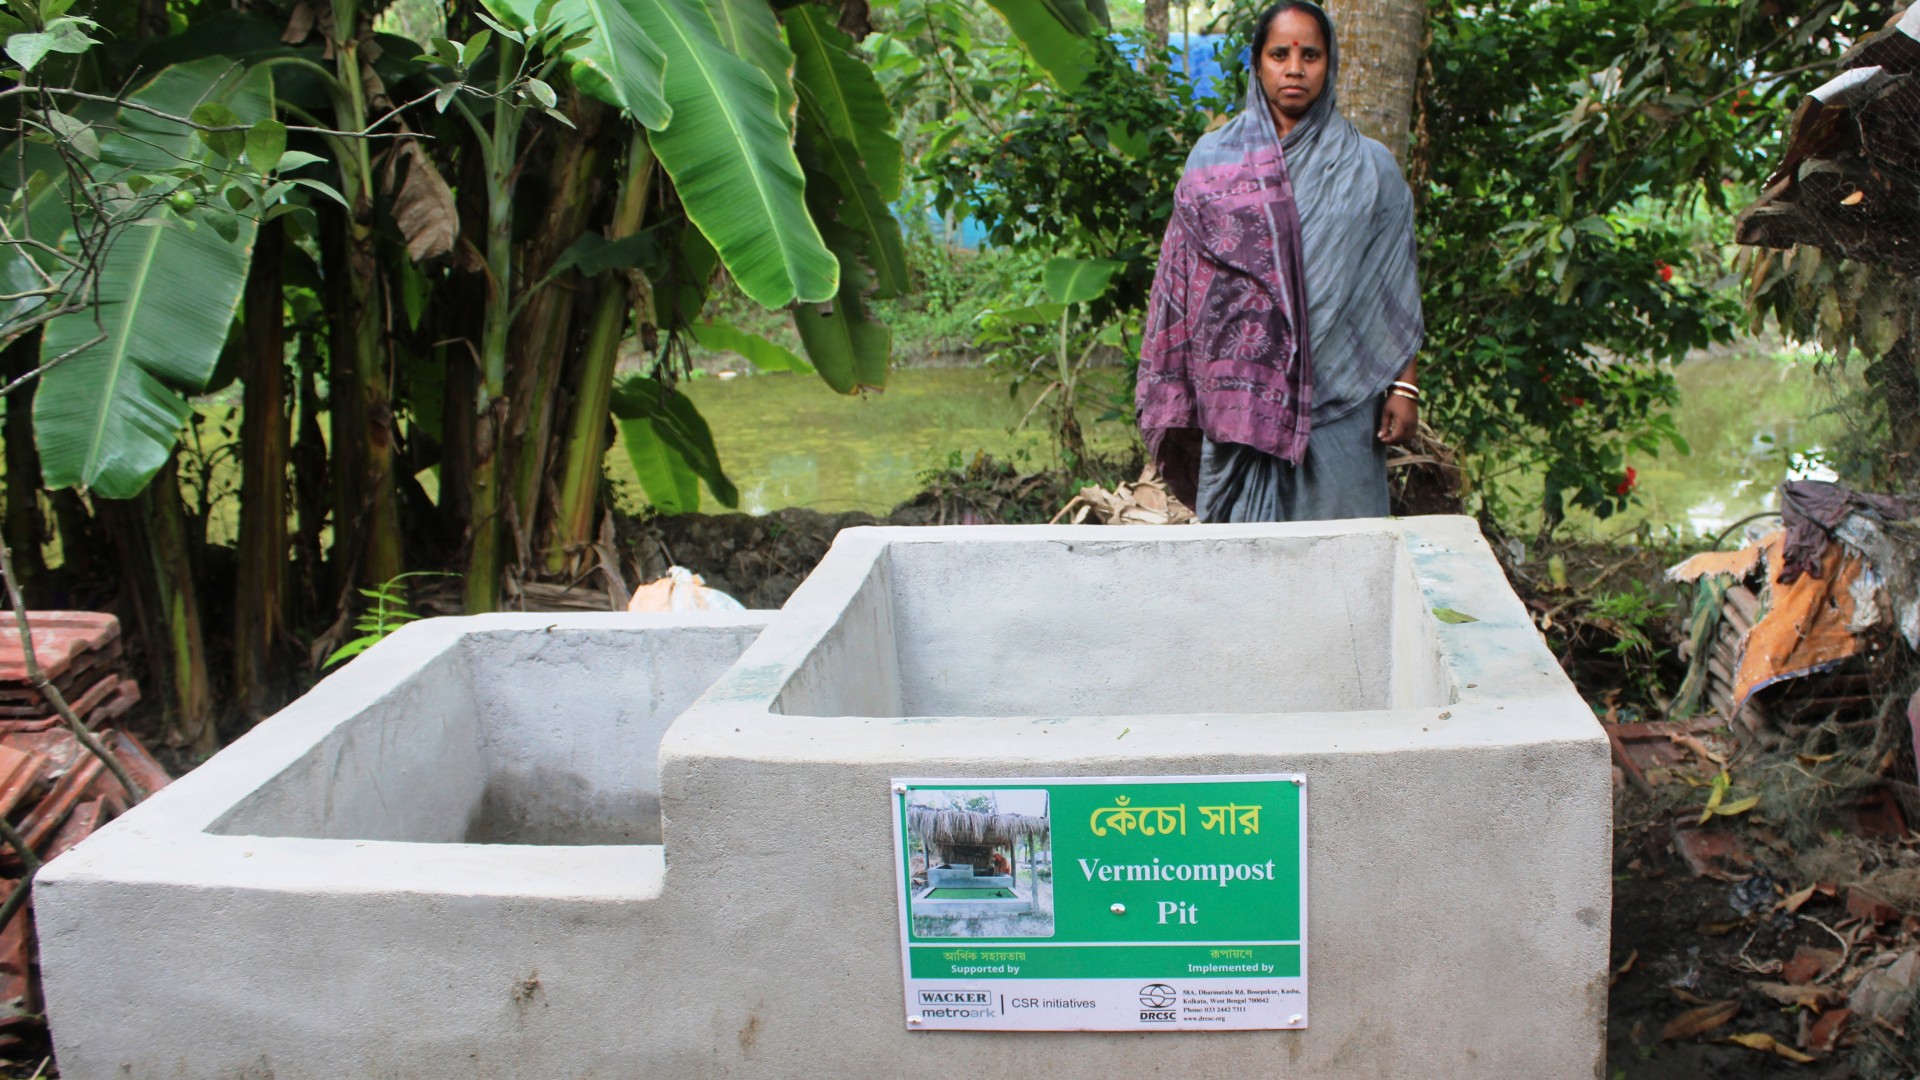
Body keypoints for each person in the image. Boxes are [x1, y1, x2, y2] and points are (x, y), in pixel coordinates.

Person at [1136, 0, 1424, 522]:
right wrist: (1181, 388)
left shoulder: (1369, 167)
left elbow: (1394, 282)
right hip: (1236, 407)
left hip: (1340, 402)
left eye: (1310, 54)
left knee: (1342, 564)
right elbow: (1180, 283)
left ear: (1329, 64)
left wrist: (1405, 385)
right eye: (1279, 54)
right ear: (1258, 63)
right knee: (1241, 572)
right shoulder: (1212, 160)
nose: (1295, 68)